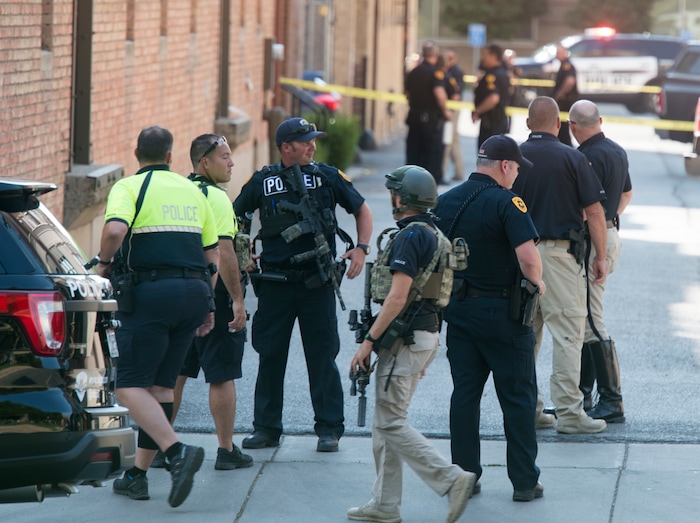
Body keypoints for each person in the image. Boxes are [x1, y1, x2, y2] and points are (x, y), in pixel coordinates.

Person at [234, 117, 373, 453]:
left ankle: (329, 429)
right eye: (305, 141)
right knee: (270, 356)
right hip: (275, 283)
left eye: (314, 140)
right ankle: (266, 428)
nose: (313, 145)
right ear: (286, 147)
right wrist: (243, 250)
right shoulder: (262, 180)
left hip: (318, 282)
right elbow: (234, 216)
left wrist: (361, 248)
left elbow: (362, 210)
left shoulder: (327, 175)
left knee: (322, 357)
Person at [97, 126, 219, 506]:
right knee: (161, 388)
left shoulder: (129, 187)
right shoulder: (195, 190)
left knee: (128, 385)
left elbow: (116, 230)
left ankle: (178, 452)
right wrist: (208, 307)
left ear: (137, 154)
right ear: (170, 157)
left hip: (152, 295)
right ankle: (137, 476)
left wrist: (102, 265)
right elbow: (212, 257)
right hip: (196, 292)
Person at [347, 165, 475, 523]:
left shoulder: (411, 237)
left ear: (401, 198)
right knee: (385, 421)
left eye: (393, 193)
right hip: (422, 337)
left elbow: (397, 298)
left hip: (405, 339)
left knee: (390, 422)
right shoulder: (435, 234)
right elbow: (437, 299)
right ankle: (385, 504)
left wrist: (368, 343)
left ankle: (451, 479)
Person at [435, 135, 546, 502]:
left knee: (465, 394)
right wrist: (539, 284)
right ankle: (524, 482)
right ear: (503, 165)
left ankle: (466, 476)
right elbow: (529, 259)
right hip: (504, 316)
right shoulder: (507, 202)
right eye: (515, 168)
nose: (516, 175)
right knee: (517, 398)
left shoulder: (447, 199)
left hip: (460, 313)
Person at [153, 134, 253, 471]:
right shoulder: (216, 197)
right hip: (214, 295)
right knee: (222, 373)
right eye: (224, 156)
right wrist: (237, 300)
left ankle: (156, 448)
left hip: (177, 292)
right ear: (204, 162)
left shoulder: (177, 191)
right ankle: (225, 450)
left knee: (175, 372)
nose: (231, 163)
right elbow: (225, 253)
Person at [512, 97, 608, 434]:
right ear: (558, 124)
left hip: (520, 257)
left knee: (526, 335)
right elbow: (595, 212)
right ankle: (569, 414)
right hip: (559, 257)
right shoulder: (573, 158)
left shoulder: (513, 160)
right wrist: (600, 256)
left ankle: (530, 410)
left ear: (527, 124)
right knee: (568, 334)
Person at [568, 100, 633, 423]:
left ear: (572, 126)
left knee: (592, 321)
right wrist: (610, 219)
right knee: (585, 320)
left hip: (596, 240)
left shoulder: (583, 157)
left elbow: (586, 209)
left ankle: (612, 400)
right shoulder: (617, 150)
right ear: (601, 121)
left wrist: (600, 225)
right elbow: (626, 194)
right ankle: (584, 397)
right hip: (608, 235)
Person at [405, 40, 450, 185]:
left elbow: (408, 95)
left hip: (414, 117)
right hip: (430, 120)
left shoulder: (413, 72)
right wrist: (445, 111)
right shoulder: (436, 73)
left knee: (414, 152)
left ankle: (411, 181)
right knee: (431, 153)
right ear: (435, 55)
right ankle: (429, 182)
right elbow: (439, 94)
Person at [472, 44, 510, 148]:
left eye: (485, 54)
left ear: (494, 56)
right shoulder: (502, 72)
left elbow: (493, 98)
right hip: (496, 121)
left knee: (487, 159)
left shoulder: (493, 75)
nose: (483, 58)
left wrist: (478, 111)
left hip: (492, 123)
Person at [442, 48, 466, 181]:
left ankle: (442, 172)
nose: (447, 61)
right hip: (450, 109)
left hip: (452, 110)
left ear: (455, 59)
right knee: (453, 141)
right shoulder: (448, 71)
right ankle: (459, 172)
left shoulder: (456, 71)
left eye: (449, 58)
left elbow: (456, 94)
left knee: (448, 141)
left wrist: (449, 111)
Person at [553, 44, 579, 146]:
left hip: (565, 101)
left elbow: (570, 81)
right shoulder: (563, 65)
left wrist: (560, 94)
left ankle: (566, 146)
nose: (556, 55)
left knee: (563, 127)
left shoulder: (567, 66)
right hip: (564, 101)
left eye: (559, 52)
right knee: (561, 126)